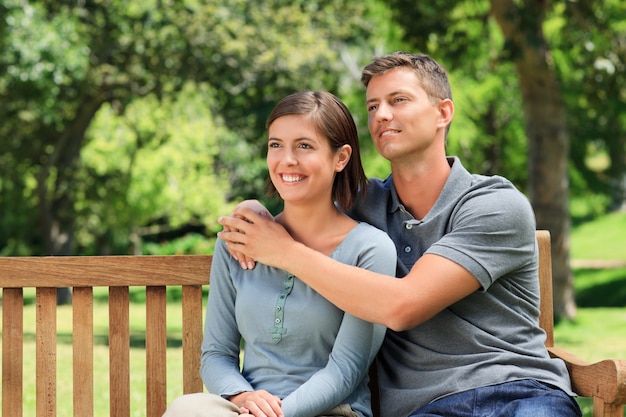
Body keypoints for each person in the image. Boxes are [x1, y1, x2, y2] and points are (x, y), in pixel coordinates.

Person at [217, 52, 582, 417]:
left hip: (519, 393)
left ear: (443, 113)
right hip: (425, 408)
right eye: (373, 106)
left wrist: (283, 252)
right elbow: (299, 197)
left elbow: (402, 306)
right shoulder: (361, 205)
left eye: (398, 100)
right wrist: (251, 210)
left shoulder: (494, 205)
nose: (381, 115)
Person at [162, 91, 397, 417]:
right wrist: (242, 396)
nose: (287, 159)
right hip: (244, 409)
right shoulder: (239, 239)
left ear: (340, 158)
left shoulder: (370, 250)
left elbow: (345, 370)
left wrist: (279, 414)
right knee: (186, 409)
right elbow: (217, 353)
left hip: (332, 410)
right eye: (276, 145)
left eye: (304, 146)